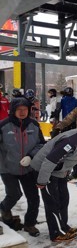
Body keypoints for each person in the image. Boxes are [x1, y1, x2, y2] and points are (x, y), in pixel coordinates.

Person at [30, 122, 77, 242]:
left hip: (58, 171)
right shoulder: (71, 141)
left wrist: (66, 171)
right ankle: (56, 233)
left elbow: (70, 158)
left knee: (63, 199)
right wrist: (42, 181)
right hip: (44, 170)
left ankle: (63, 226)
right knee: (53, 203)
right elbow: (50, 160)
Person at [0, 97, 45, 237]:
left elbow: (41, 144)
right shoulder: (3, 126)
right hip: (7, 168)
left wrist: (31, 156)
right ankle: (4, 209)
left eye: (25, 109)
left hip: (28, 169)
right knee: (14, 194)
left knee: (33, 198)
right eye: (19, 109)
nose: (22, 112)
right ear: (13, 110)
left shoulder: (34, 125)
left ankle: (30, 224)